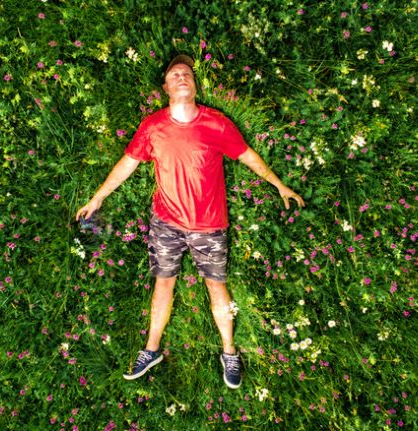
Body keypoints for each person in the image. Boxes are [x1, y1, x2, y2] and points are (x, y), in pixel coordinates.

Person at [75, 54, 304, 389]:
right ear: (166, 87)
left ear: (194, 85)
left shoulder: (217, 123)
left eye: (187, 73)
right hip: (166, 223)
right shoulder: (152, 127)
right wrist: (98, 197)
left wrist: (279, 184)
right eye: (174, 74)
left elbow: (248, 156)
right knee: (163, 283)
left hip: (210, 226)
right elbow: (127, 163)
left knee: (216, 286)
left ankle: (229, 351)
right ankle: (151, 349)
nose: (182, 76)